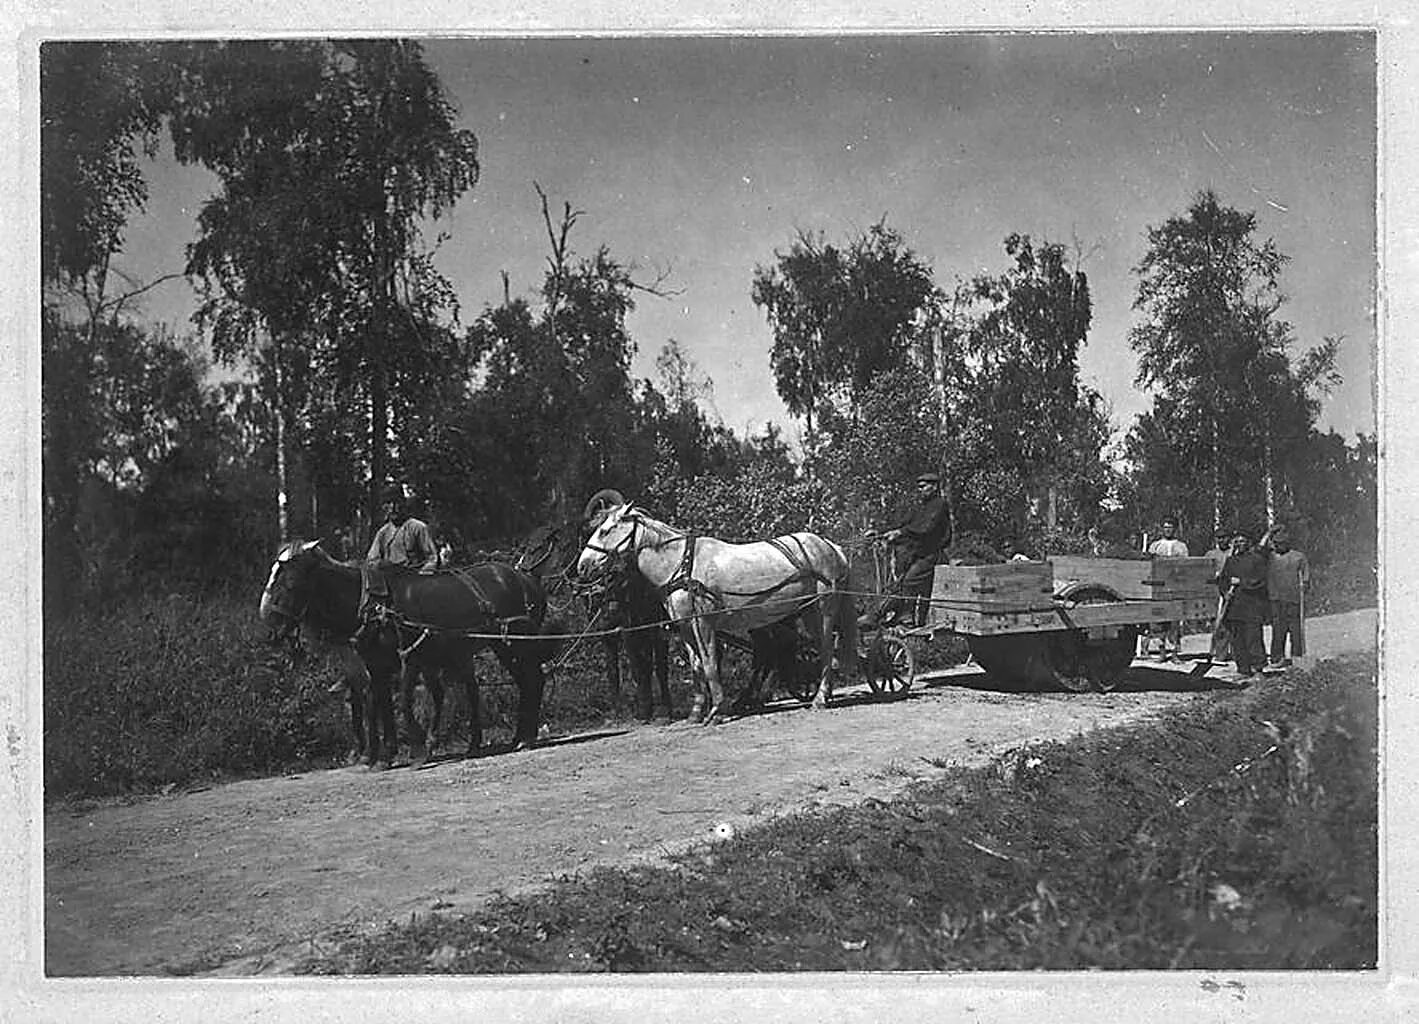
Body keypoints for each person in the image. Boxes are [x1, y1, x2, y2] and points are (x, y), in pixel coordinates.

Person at [859, 471, 950, 629]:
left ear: (934, 487)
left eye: (923, 486)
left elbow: (925, 528)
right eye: (919, 487)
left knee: (908, 581)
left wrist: (901, 533)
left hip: (932, 556)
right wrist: (880, 532)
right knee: (898, 584)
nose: (920, 490)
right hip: (919, 556)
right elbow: (904, 524)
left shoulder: (939, 505)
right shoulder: (921, 507)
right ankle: (881, 615)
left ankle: (906, 618)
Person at [1218, 526, 1270, 682]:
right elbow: (1223, 580)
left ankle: (1258, 669)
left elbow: (1261, 582)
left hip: (1252, 607)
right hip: (1234, 607)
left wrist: (1243, 582)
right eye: (1237, 541)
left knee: (1253, 638)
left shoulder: (1257, 560)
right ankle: (1243, 669)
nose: (1239, 544)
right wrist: (1225, 592)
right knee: (1237, 640)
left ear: (1248, 543)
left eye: (1243, 541)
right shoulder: (1231, 561)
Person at [1264, 526, 1309, 667]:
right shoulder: (1270, 556)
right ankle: (1277, 658)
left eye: (1282, 543)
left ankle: (1298, 657)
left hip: (1293, 598)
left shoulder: (1298, 556)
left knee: (1295, 629)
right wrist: (1269, 532)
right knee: (1278, 629)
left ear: (1287, 543)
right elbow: (1260, 548)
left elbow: (1306, 574)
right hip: (1275, 598)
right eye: (1276, 543)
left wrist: (1305, 584)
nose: (1279, 546)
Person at [1145, 519, 1190, 661]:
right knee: (1159, 621)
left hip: (1176, 587)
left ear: (1175, 529)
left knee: (1175, 622)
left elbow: (1186, 566)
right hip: (1158, 588)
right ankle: (1162, 651)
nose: (1168, 530)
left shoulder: (1181, 546)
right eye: (1165, 527)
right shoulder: (1155, 546)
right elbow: (1148, 565)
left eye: (1170, 527)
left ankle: (1175, 653)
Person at [365, 488, 441, 570]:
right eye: (388, 503)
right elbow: (371, 560)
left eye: (396, 503)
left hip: (414, 578)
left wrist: (423, 572)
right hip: (390, 579)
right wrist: (380, 564)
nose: (392, 507)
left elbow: (432, 559)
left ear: (403, 503)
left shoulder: (418, 528)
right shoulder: (382, 533)